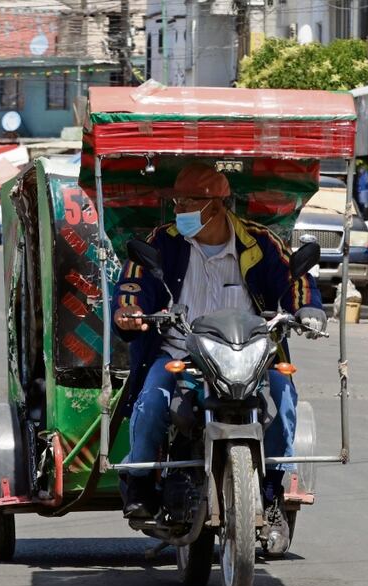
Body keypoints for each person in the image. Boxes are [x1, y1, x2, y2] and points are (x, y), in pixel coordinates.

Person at [112, 162, 327, 554]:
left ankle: (273, 491)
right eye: (177, 200)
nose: (180, 208)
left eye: (189, 200)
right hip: (182, 353)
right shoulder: (163, 241)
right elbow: (132, 283)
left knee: (283, 398)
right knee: (151, 401)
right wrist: (128, 311)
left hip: (251, 358)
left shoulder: (259, 243)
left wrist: (309, 309)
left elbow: (296, 282)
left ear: (217, 204)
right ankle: (140, 484)